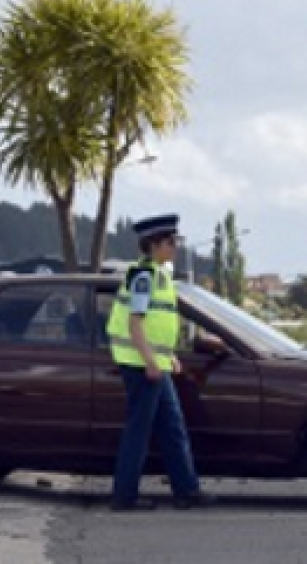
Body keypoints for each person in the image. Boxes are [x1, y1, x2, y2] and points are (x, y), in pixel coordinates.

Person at [105, 213, 215, 511]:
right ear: (154, 244)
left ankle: (186, 490)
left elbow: (157, 325)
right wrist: (152, 362)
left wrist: (168, 357)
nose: (175, 246)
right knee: (139, 430)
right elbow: (135, 324)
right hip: (141, 364)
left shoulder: (160, 275)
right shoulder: (143, 276)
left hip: (155, 363)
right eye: (171, 241)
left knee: (172, 427)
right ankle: (124, 497)